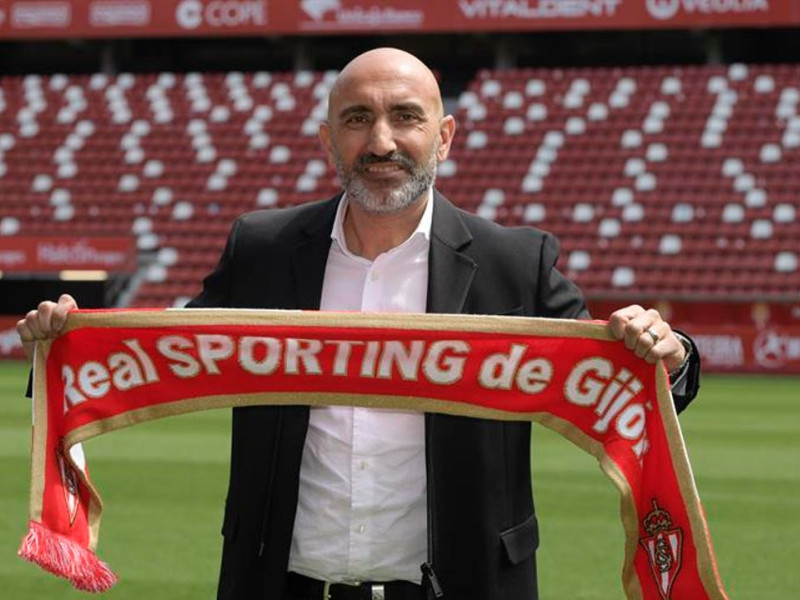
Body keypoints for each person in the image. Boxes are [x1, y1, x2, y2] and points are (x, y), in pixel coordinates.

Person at [18, 48, 699, 600]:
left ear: (444, 135)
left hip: (461, 586)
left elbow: (613, 370)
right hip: (281, 584)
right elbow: (169, 354)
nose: (382, 142)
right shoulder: (260, 247)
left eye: (405, 117)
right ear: (327, 139)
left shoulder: (514, 262)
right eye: (357, 119)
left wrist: (670, 356)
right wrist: (67, 339)